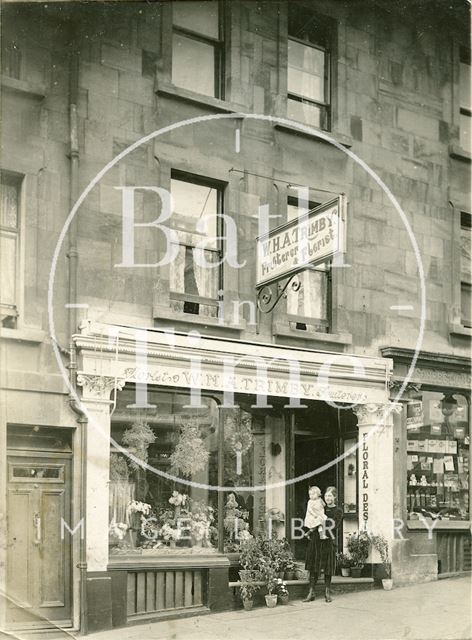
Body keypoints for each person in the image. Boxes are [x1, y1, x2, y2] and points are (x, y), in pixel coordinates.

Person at [302, 486, 343, 603]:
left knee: (327, 567)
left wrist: (320, 523)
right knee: (313, 565)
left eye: (330, 495)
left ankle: (327, 592)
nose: (327, 498)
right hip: (316, 540)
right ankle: (311, 592)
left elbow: (334, 526)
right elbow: (312, 518)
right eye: (326, 495)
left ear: (334, 497)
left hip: (328, 539)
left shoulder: (338, 511)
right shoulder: (320, 507)